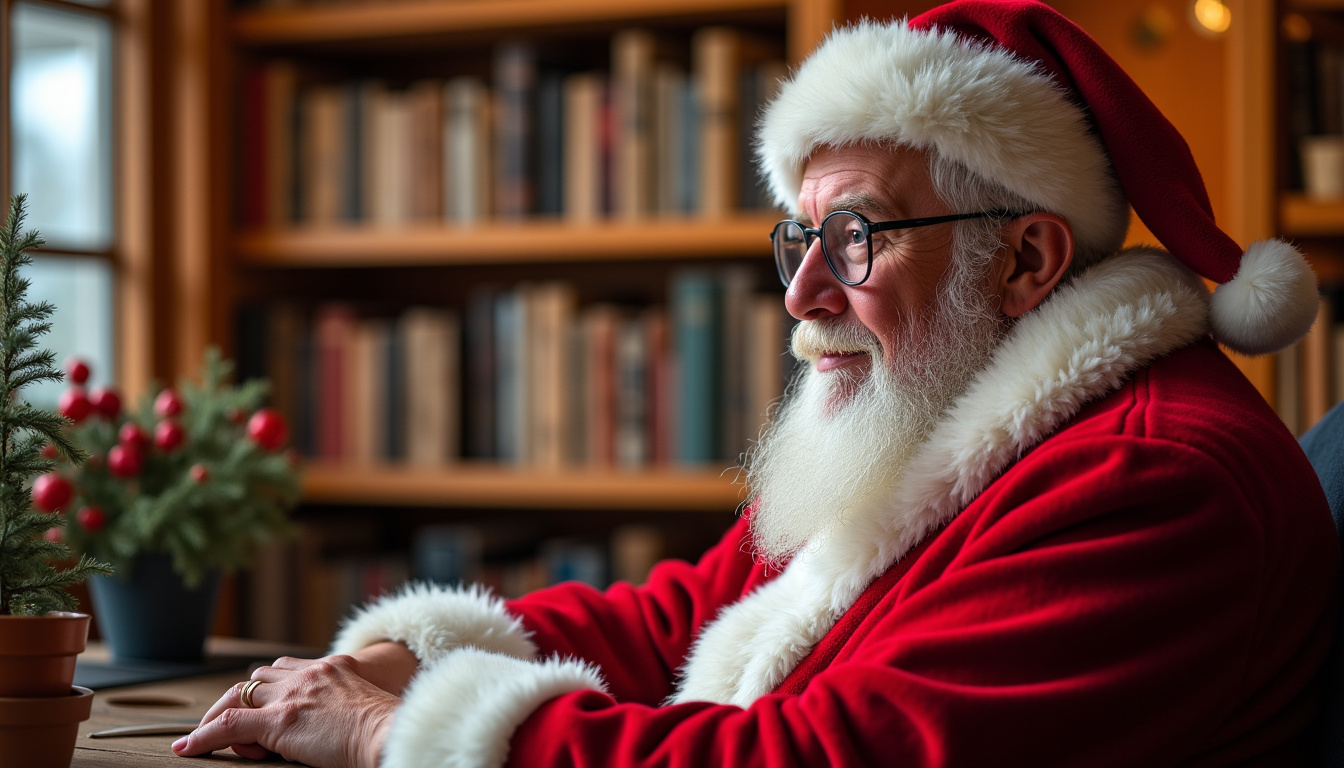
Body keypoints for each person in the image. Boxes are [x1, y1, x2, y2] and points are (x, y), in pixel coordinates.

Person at [173, 1, 1341, 766]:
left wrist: (399, 738)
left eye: (859, 238)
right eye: (799, 241)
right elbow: (690, 614)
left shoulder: (1151, 481)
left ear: (1027, 260)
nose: (804, 298)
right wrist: (416, 660)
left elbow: (821, 762)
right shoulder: (959, 420)